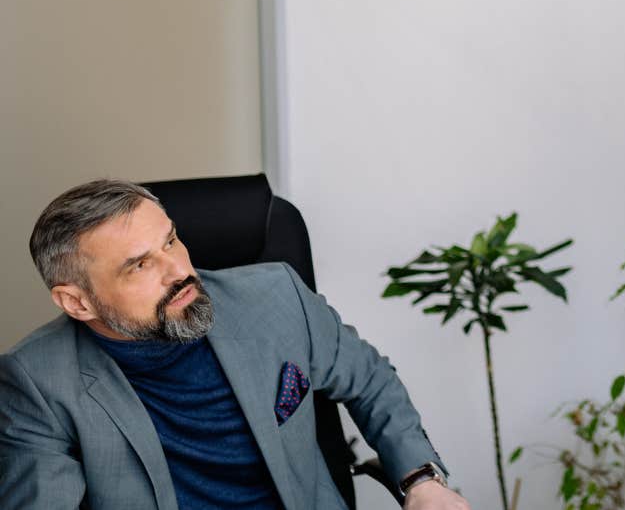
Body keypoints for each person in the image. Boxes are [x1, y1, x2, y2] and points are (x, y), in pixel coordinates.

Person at [0, 179, 472, 510]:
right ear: (77, 302)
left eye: (172, 241)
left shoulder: (275, 297)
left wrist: (420, 479)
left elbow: (369, 379)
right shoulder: (39, 381)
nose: (180, 269)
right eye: (140, 265)